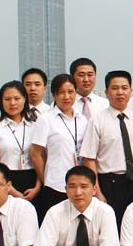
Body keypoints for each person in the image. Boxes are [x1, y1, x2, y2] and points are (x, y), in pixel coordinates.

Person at [81, 70, 133, 228]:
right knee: (112, 227)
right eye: (115, 88)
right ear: (106, 92)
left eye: (124, 88)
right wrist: (97, 192)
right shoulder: (97, 121)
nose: (120, 92)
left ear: (131, 91)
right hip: (109, 183)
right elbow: (89, 159)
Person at [31, 74, 89, 221]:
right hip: (55, 184)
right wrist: (46, 179)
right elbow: (36, 154)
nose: (66, 96)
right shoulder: (46, 119)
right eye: (61, 92)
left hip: (80, 184)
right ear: (54, 95)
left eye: (70, 92)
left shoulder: (82, 119)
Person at [0, 81, 40, 201]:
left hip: (33, 183)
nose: (12, 103)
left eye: (17, 98)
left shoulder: (36, 126)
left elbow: (42, 159)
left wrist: (37, 187)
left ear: (24, 99)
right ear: (1, 102)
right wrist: (13, 192)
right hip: (6, 183)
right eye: (7, 99)